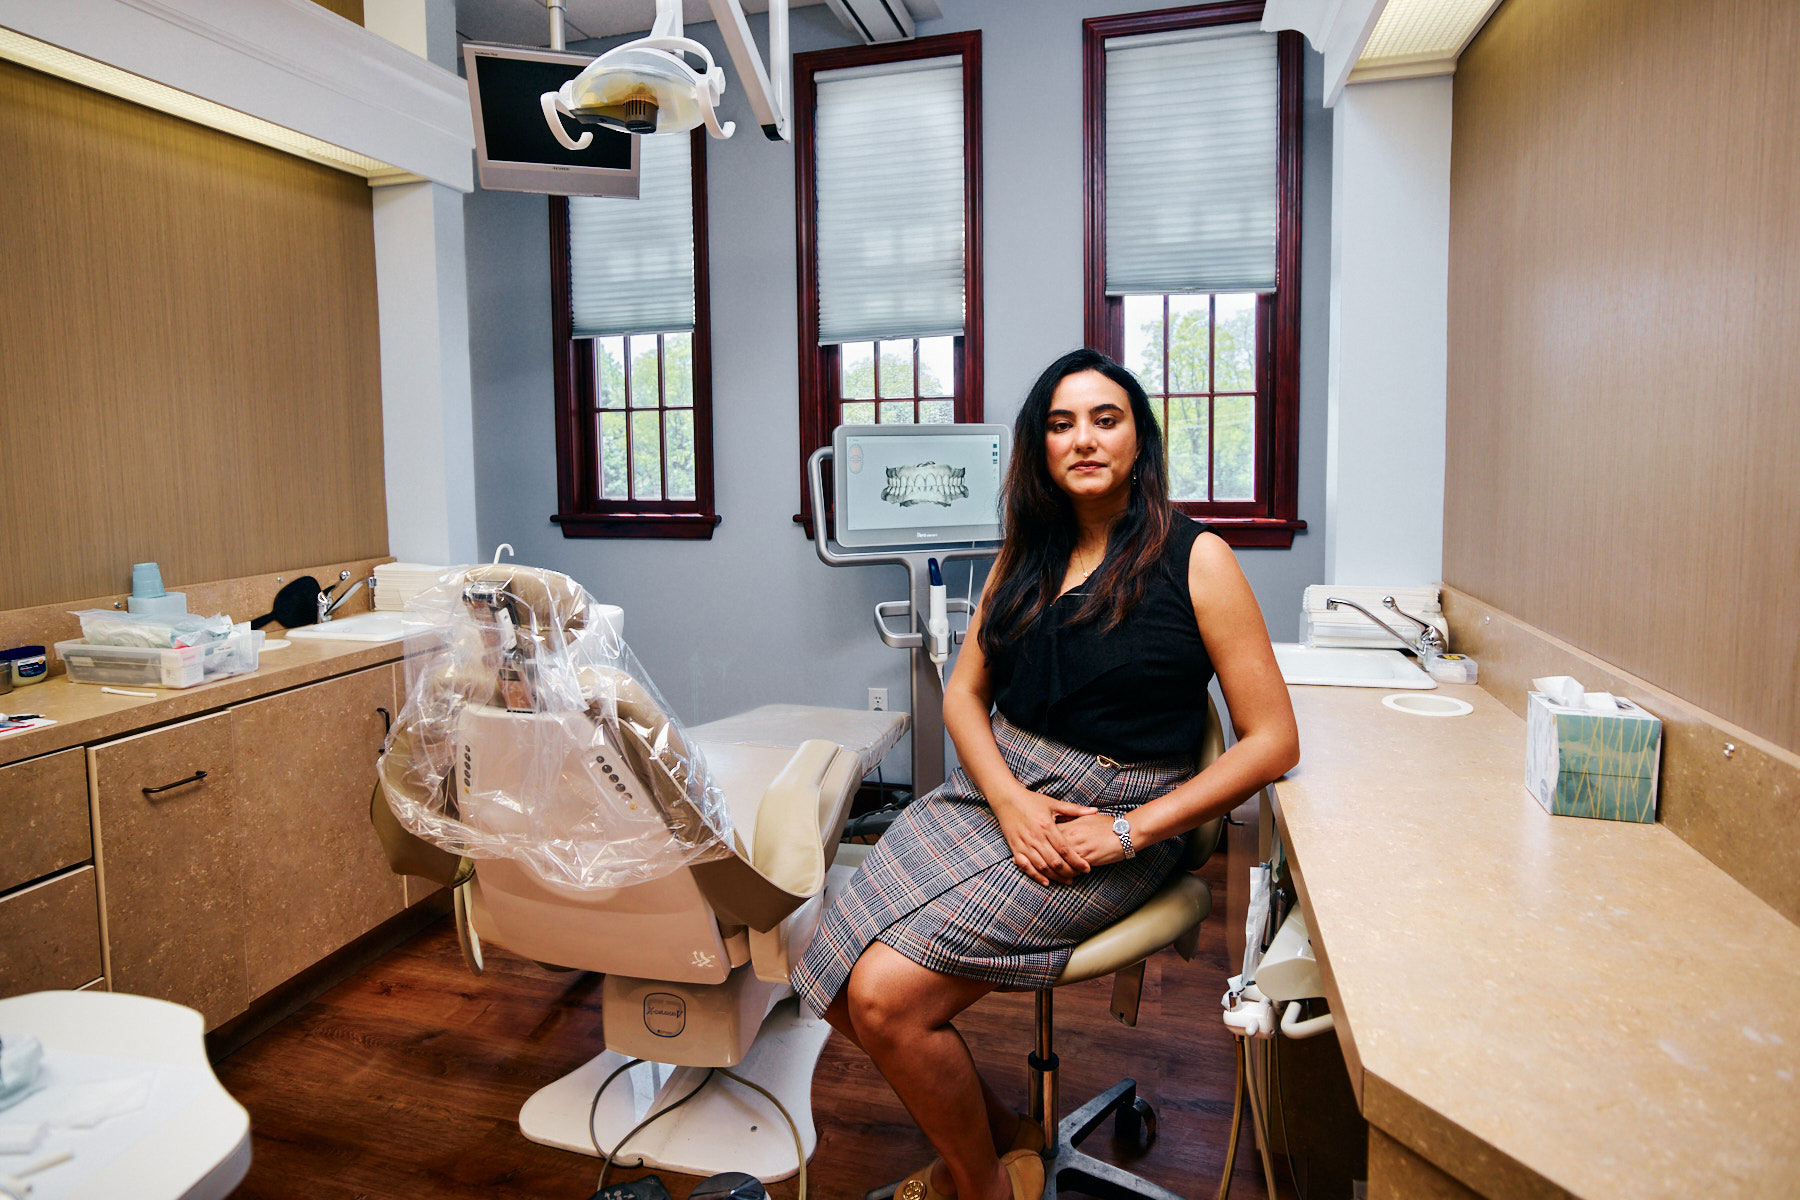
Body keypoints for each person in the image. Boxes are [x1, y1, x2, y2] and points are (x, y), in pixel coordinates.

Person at [791, 348, 1301, 1200]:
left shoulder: (1196, 558)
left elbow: (1273, 740)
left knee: (883, 999)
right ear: (1040, 447)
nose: (1085, 440)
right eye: (1062, 424)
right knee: (834, 970)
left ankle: (982, 1186)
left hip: (1121, 818)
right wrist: (1010, 799)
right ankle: (1010, 1142)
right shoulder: (1024, 551)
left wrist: (1128, 831)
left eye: (1107, 419)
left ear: (1140, 440)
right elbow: (963, 697)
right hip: (996, 792)